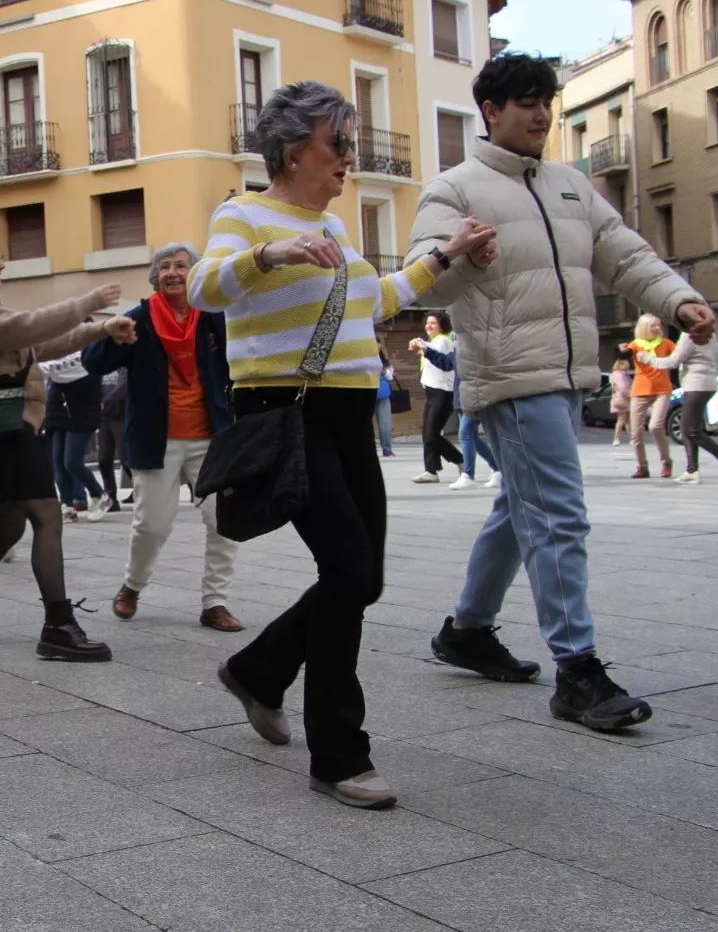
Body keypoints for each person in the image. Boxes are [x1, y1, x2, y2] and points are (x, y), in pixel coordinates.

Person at [192, 81, 496, 810]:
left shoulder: (338, 232)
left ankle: (260, 672)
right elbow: (205, 287)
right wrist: (272, 254)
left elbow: (377, 300)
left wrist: (446, 257)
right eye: (340, 145)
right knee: (349, 565)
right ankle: (338, 754)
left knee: (364, 578)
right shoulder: (244, 215)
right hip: (288, 411)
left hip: (350, 413)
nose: (349, 161)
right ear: (294, 150)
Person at [408, 51, 714, 733]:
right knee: (558, 516)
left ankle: (468, 629)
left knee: (522, 508)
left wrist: (678, 300)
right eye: (526, 102)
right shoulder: (452, 192)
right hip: (513, 377)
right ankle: (578, 670)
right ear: (490, 111)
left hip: (566, 373)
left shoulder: (571, 186)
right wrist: (460, 256)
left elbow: (626, 254)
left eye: (546, 100)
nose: (541, 113)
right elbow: (423, 280)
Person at [0, 230, 135, 661]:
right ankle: (58, 625)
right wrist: (88, 301)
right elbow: (27, 328)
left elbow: (35, 345)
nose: (1, 263)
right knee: (47, 517)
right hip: (4, 429)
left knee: (9, 527)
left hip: (2, 428)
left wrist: (100, 329)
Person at [84, 242, 241, 631]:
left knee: (224, 519)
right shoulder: (139, 320)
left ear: (196, 274)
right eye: (165, 267)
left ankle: (214, 603)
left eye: (182, 266)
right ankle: (132, 587)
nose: (173, 272)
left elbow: (243, 360)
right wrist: (108, 333)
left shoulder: (215, 318)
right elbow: (93, 362)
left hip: (212, 437)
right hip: (157, 440)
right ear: (156, 278)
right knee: (152, 525)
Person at [635, 333, 718, 485]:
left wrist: (646, 358)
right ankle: (692, 470)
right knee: (689, 429)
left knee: (690, 430)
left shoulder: (689, 335)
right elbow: (717, 350)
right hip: (706, 383)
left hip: (696, 384)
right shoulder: (710, 333)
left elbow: (673, 361)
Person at [417, 341, 500, 490]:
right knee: (472, 436)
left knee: (465, 434)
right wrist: (426, 351)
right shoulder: (463, 348)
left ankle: (468, 475)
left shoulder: (477, 347)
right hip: (463, 399)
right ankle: (498, 469)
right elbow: (446, 363)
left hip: (474, 398)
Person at [40, 348, 110, 520]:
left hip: (82, 414)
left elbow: (55, 369)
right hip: (58, 412)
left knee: (72, 462)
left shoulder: (87, 356)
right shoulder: (55, 352)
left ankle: (100, 495)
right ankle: (67, 505)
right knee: (57, 462)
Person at [410, 311, 463, 483]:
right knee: (427, 434)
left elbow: (437, 354)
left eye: (433, 323)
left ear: (442, 325)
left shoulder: (442, 341)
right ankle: (431, 471)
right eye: (427, 323)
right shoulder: (435, 341)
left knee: (432, 434)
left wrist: (420, 343)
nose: (429, 326)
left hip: (442, 394)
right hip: (432, 393)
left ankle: (460, 460)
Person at [622, 314, 675, 479]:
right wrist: (621, 351)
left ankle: (666, 462)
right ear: (645, 327)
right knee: (636, 433)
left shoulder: (666, 344)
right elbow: (623, 358)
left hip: (662, 390)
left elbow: (677, 357)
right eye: (654, 326)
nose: (658, 328)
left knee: (655, 426)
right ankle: (642, 467)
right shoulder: (635, 345)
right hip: (640, 390)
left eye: (659, 325)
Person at [97, 368, 129, 512]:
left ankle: (145, 493)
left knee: (126, 460)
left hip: (121, 416)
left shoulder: (122, 363)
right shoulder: (100, 362)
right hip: (104, 417)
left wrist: (107, 400)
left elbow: (125, 383)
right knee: (103, 460)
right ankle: (111, 498)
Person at [374, 343, 397, 457]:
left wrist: (384, 371)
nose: (376, 347)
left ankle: (387, 449)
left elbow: (390, 377)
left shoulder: (384, 361)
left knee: (385, 425)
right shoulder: (365, 359)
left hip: (383, 395)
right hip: (369, 394)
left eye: (377, 344)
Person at [610, 357, 633, 446]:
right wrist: (630, 395)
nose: (628, 366)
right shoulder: (620, 375)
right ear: (621, 365)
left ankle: (632, 438)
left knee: (626, 420)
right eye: (626, 365)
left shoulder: (615, 375)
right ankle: (617, 439)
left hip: (619, 399)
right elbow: (623, 388)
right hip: (623, 399)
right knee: (623, 419)